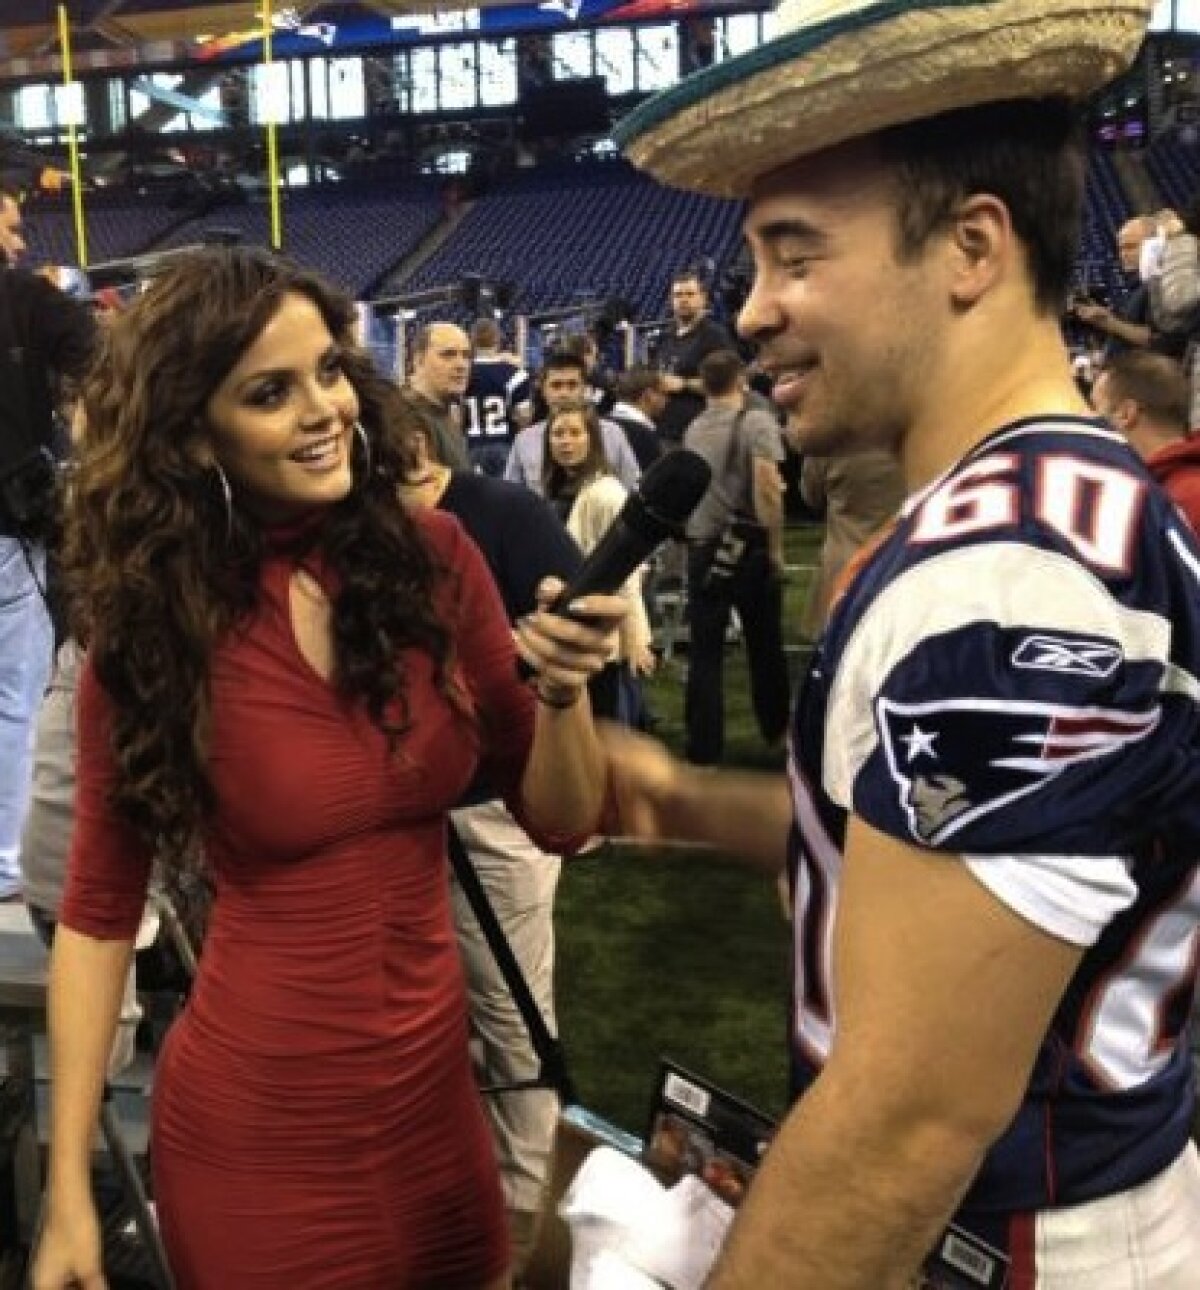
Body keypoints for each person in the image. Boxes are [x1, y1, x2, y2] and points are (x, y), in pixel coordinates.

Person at [611, 2, 1200, 1286]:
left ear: (971, 246)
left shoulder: (1011, 580)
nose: (753, 311)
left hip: (1019, 1240)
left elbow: (906, 1124)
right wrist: (688, 804)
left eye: (794, 255)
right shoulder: (1025, 513)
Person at [33, 246, 625, 1290]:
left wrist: (566, 694)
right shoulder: (154, 631)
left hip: (438, 1119)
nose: (324, 410)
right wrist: (71, 1188)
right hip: (257, 1141)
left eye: (329, 371)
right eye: (270, 393)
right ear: (194, 432)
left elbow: (564, 821)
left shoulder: (436, 559)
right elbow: (96, 911)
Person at [397, 426, 582, 1276]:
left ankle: (522, 1225)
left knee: (514, 1022)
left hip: (495, 813)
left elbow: (570, 651)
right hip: (410, 819)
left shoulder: (498, 512)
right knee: (441, 1022)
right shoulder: (358, 537)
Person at [0, 182, 95, 903]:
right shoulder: (22, 296)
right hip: (6, 533)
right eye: (9, 226)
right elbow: (105, 353)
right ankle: (8, 858)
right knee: (18, 691)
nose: (20, 241)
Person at [682, 349, 789, 765]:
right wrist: (775, 548)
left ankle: (703, 749)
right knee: (765, 646)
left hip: (703, 546)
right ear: (741, 379)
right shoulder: (757, 422)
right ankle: (777, 733)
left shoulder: (694, 428)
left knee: (705, 653)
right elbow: (767, 487)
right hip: (748, 545)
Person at [542, 401, 654, 722]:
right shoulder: (560, 491)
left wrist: (634, 636)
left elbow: (627, 569)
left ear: (592, 438)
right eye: (558, 434)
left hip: (609, 638)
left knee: (611, 728)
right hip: (575, 630)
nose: (566, 442)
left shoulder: (606, 493)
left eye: (575, 433)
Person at [798, 449, 907, 640]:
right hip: (896, 563)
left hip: (842, 562)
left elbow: (811, 496)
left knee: (835, 647)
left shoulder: (828, 443)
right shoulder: (909, 440)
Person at [504, 349, 640, 495]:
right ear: (543, 390)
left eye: (572, 385)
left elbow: (632, 488)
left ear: (585, 389)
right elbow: (511, 496)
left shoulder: (613, 434)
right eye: (556, 385)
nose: (564, 393)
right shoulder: (525, 440)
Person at [1091, 350, 1200, 530]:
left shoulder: (1187, 500)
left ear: (1126, 413)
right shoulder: (1145, 487)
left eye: (1096, 407)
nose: (1088, 418)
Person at [650, 268, 736, 445]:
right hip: (664, 430)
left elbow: (729, 384)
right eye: (678, 295)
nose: (683, 300)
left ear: (703, 298)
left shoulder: (714, 336)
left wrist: (684, 384)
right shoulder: (665, 337)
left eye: (690, 294)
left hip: (699, 434)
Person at [398, 319, 472, 471]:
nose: (461, 365)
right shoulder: (407, 419)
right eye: (448, 355)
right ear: (419, 361)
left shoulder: (443, 414)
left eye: (466, 355)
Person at [462, 317, 532, 478]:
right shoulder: (515, 374)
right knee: (506, 491)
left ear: (472, 340)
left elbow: (455, 417)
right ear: (497, 339)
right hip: (504, 443)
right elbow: (524, 417)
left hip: (470, 444)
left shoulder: (462, 373)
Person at [607, 365, 667, 473]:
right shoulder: (645, 436)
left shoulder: (601, 424)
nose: (667, 400)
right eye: (663, 394)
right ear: (649, 395)